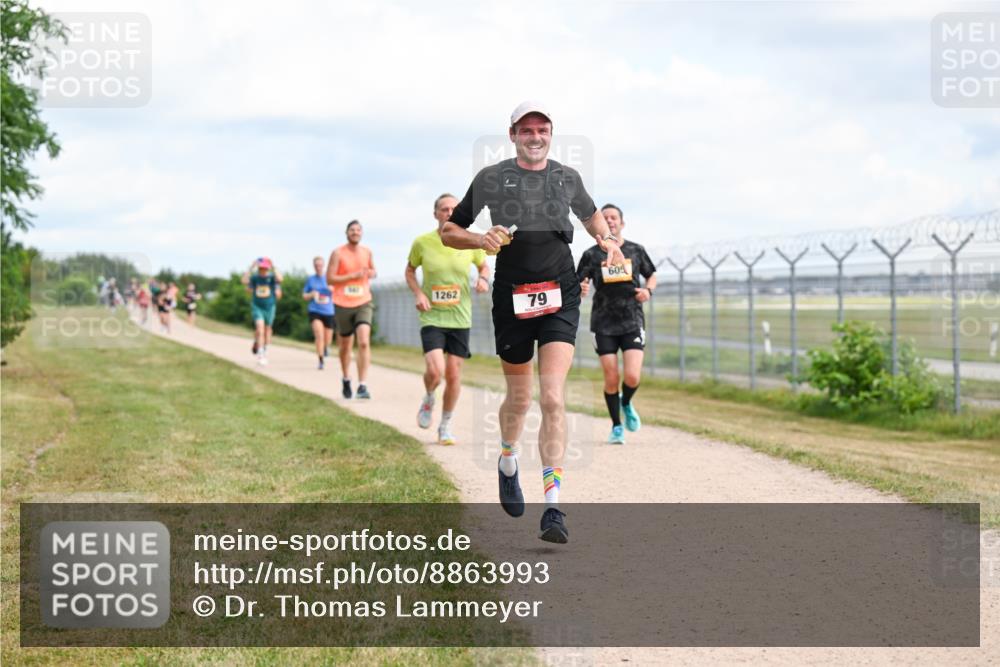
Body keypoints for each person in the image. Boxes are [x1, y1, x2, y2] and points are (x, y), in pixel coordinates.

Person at [441, 101, 625, 543]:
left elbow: (591, 215)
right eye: (527, 129)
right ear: (513, 135)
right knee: (520, 400)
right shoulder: (490, 178)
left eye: (543, 129)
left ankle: (554, 505)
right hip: (512, 298)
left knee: (553, 398)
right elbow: (449, 231)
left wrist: (608, 239)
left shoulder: (567, 177)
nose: (536, 135)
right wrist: (479, 238)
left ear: (551, 134)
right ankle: (508, 459)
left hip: (559, 292)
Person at [406, 193, 490, 445]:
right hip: (431, 315)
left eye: (454, 209)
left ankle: (445, 425)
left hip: (460, 318)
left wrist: (484, 278)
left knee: (453, 375)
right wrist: (419, 293)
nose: (449, 213)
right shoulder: (422, 242)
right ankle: (430, 396)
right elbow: (410, 270)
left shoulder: (468, 241)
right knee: (435, 370)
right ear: (435, 214)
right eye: (444, 209)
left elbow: (484, 265)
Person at [577, 204, 657, 445]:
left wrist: (648, 291)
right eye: (605, 218)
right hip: (603, 321)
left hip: (632, 318)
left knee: (632, 376)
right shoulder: (591, 254)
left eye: (614, 218)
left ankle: (626, 402)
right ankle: (616, 426)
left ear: (622, 223)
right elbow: (580, 281)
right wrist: (581, 288)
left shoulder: (636, 250)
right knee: (611, 377)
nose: (610, 221)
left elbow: (652, 274)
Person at [326, 220, 376, 399]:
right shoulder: (338, 253)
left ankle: (362, 385)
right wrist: (351, 276)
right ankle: (346, 378)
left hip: (363, 301)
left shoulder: (367, 252)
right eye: (352, 230)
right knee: (345, 346)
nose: (355, 232)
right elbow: (330, 279)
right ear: (346, 233)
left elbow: (373, 271)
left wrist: (371, 273)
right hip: (342, 303)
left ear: (361, 233)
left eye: (358, 230)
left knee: (363, 341)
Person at [242, 258, 283, 366]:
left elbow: (280, 279)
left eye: (265, 268)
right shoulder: (255, 278)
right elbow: (244, 281)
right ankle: (261, 355)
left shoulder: (272, 278)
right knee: (260, 329)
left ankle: (263, 348)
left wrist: (273, 266)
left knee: (267, 330)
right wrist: (251, 267)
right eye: (261, 268)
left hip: (270, 307)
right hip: (257, 306)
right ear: (258, 268)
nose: (263, 270)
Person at [303, 256, 335, 370]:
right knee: (319, 334)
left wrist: (333, 290)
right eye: (316, 265)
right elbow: (304, 296)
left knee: (328, 338)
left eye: (320, 265)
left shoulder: (330, 278)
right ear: (314, 266)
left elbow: (339, 293)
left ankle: (326, 347)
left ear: (324, 265)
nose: (318, 267)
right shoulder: (310, 279)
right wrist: (311, 294)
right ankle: (321, 360)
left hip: (329, 311)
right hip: (315, 310)